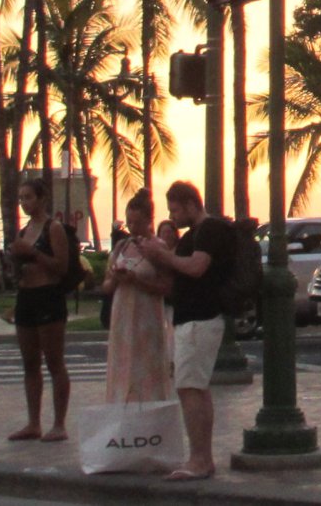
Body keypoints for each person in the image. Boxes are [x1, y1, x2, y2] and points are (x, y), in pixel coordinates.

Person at [139, 179, 235, 481]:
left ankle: (199, 459)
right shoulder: (195, 234)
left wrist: (163, 256)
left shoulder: (209, 230)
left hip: (200, 319)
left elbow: (197, 267)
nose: (173, 216)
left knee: (190, 387)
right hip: (191, 318)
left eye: (176, 210)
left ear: (192, 204)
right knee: (195, 387)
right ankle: (201, 457)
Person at [7, 176, 73, 443]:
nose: (24, 203)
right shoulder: (24, 232)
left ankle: (59, 423)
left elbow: (61, 267)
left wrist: (33, 254)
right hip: (27, 296)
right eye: (21, 198)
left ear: (41, 198)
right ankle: (33, 422)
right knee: (30, 362)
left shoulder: (52, 228)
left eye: (28, 197)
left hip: (48, 296)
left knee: (54, 361)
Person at [104, 191, 174, 404]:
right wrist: (116, 279)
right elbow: (106, 285)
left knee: (146, 367)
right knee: (123, 363)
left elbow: (166, 286)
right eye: (129, 222)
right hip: (122, 315)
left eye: (137, 222)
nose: (133, 227)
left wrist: (137, 280)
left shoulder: (157, 247)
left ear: (148, 221)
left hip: (146, 316)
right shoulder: (121, 247)